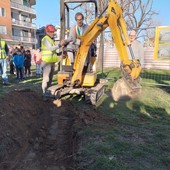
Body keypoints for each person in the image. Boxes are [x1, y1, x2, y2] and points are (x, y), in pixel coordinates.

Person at [41, 24, 62, 97]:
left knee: (50, 80)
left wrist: (59, 54)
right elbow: (51, 48)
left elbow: (52, 51)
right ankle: (44, 93)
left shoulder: (51, 40)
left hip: (51, 62)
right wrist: (59, 45)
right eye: (51, 32)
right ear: (47, 32)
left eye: (53, 32)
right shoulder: (45, 39)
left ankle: (48, 93)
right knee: (46, 79)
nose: (53, 33)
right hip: (46, 62)